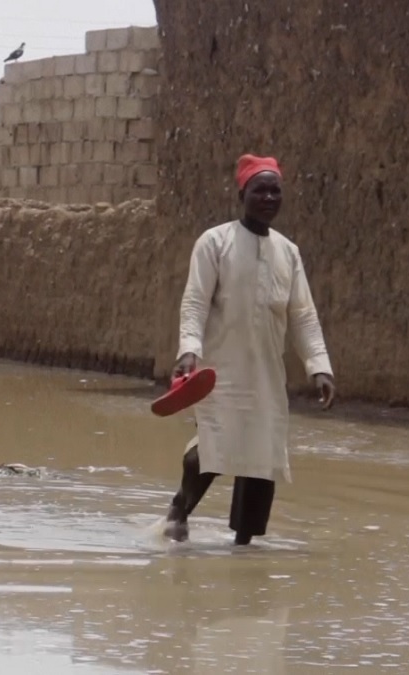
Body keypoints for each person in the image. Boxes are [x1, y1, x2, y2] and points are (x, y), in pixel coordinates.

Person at [163, 154, 337, 546]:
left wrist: (318, 366)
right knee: (211, 446)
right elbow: (194, 303)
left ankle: (243, 547)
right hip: (220, 369)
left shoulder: (288, 253)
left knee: (262, 458)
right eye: (261, 190)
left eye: (276, 191)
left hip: (266, 374)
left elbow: (303, 315)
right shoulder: (214, 242)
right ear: (242, 193)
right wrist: (189, 349)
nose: (269, 197)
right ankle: (180, 507)